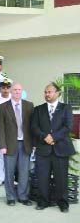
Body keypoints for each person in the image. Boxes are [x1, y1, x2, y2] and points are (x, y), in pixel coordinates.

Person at [31, 83, 75, 213]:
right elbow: (34, 127)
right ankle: (43, 201)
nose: (47, 94)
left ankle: (63, 203)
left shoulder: (65, 108)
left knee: (61, 178)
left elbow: (68, 126)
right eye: (45, 92)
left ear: (57, 93)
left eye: (49, 92)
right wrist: (45, 137)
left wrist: (53, 137)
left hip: (60, 148)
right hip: (43, 149)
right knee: (42, 178)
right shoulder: (38, 109)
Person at [0, 82, 34, 206]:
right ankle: (10, 197)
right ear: (11, 91)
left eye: (19, 90)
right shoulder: (2, 107)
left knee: (24, 172)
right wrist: (2, 145)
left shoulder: (29, 105)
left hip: (25, 144)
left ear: (21, 91)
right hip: (9, 144)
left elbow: (32, 126)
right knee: (9, 172)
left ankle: (23, 196)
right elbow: (0, 128)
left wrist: (33, 144)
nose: (17, 92)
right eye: (15, 90)